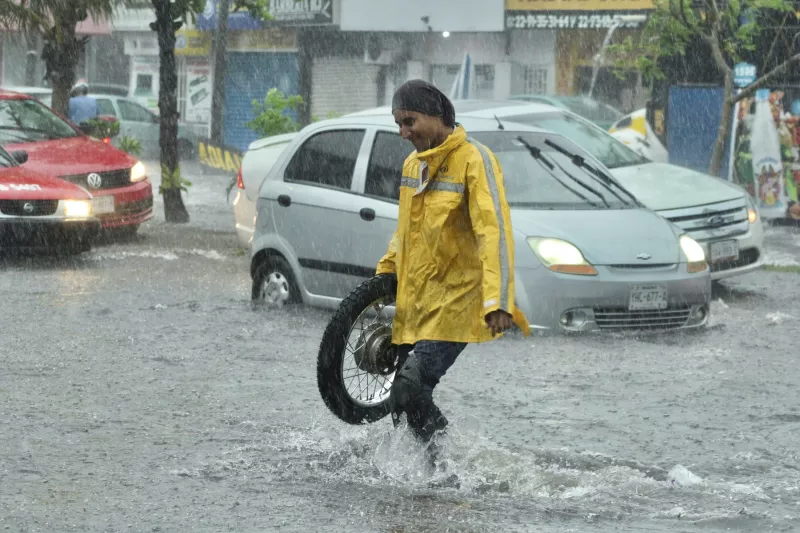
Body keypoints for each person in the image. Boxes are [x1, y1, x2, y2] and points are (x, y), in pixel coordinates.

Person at [377, 79, 531, 445]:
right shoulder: (413, 165)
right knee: (402, 404)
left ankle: (449, 467)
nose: (403, 132)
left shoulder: (476, 160)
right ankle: (429, 475)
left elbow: (493, 232)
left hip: (457, 303)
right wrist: (386, 272)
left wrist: (498, 300)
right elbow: (406, 232)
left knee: (409, 390)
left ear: (436, 116)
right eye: (398, 123)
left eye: (410, 121)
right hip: (418, 302)